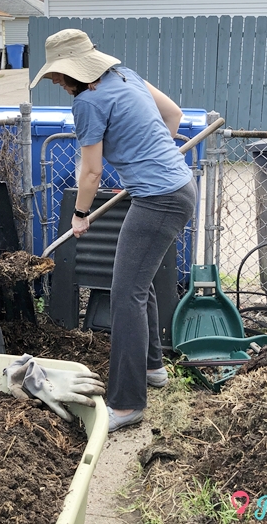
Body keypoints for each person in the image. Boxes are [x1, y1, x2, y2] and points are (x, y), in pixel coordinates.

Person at [30, 29, 196, 432]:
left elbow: (90, 171)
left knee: (126, 295)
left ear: (73, 72)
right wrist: (148, 157)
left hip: (158, 199)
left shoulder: (87, 102)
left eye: (56, 75)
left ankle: (127, 403)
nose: (54, 81)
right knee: (140, 284)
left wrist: (80, 214)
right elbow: (173, 114)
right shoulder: (126, 76)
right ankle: (154, 368)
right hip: (178, 187)